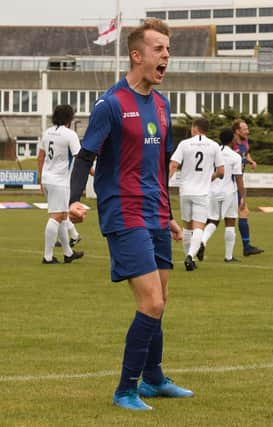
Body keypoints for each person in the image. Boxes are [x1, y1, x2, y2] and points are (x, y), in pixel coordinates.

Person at [68, 18, 193, 411]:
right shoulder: (110, 104)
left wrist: (169, 213)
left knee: (163, 299)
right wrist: (75, 199)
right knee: (151, 302)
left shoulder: (161, 104)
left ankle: (154, 378)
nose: (166, 57)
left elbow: (158, 167)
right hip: (123, 213)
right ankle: (126, 389)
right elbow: (85, 155)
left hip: (155, 213)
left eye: (168, 50)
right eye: (159, 50)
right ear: (137, 55)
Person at [169, 117, 224, 271]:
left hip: (185, 191)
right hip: (202, 192)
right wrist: (209, 178)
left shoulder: (184, 144)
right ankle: (190, 257)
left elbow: (173, 164)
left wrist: (164, 182)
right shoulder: (214, 146)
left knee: (187, 227)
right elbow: (221, 171)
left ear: (194, 128)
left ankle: (188, 256)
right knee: (199, 226)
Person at [37, 104, 84, 264]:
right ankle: (47, 256)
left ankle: (68, 253)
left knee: (63, 215)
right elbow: (80, 157)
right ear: (69, 118)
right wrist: (93, 172)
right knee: (57, 216)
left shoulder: (47, 132)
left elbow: (40, 157)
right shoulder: (70, 134)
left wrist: (40, 178)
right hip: (60, 181)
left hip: (47, 178)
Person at [200, 128, 245, 262]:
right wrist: (243, 196)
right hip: (228, 192)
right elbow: (238, 178)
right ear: (232, 140)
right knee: (230, 221)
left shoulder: (213, 152)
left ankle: (202, 240)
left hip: (212, 190)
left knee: (213, 220)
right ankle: (228, 256)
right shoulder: (235, 156)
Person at [231, 119, 264, 256]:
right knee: (218, 217)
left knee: (243, 211)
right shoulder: (230, 144)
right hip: (229, 183)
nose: (247, 131)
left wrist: (250, 161)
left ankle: (247, 247)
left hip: (237, 183)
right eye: (244, 129)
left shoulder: (244, 142)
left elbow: (246, 153)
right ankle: (201, 241)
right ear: (237, 131)